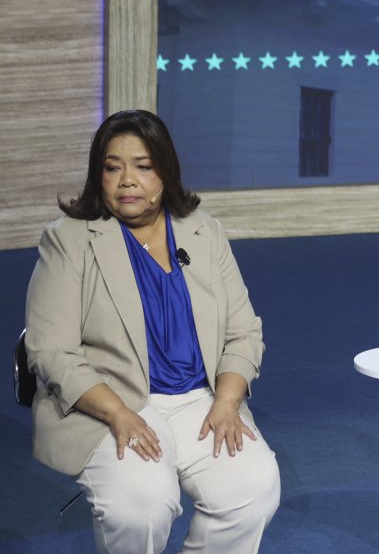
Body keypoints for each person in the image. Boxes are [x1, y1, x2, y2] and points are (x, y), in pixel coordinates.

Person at [25, 109, 280, 553]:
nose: (127, 181)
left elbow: (244, 332)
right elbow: (50, 350)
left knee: (252, 488)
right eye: (113, 168)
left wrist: (226, 402)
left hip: (200, 398)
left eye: (143, 166)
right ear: (98, 175)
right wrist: (118, 413)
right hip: (111, 399)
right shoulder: (69, 240)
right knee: (140, 507)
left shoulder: (203, 231)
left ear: (166, 172)